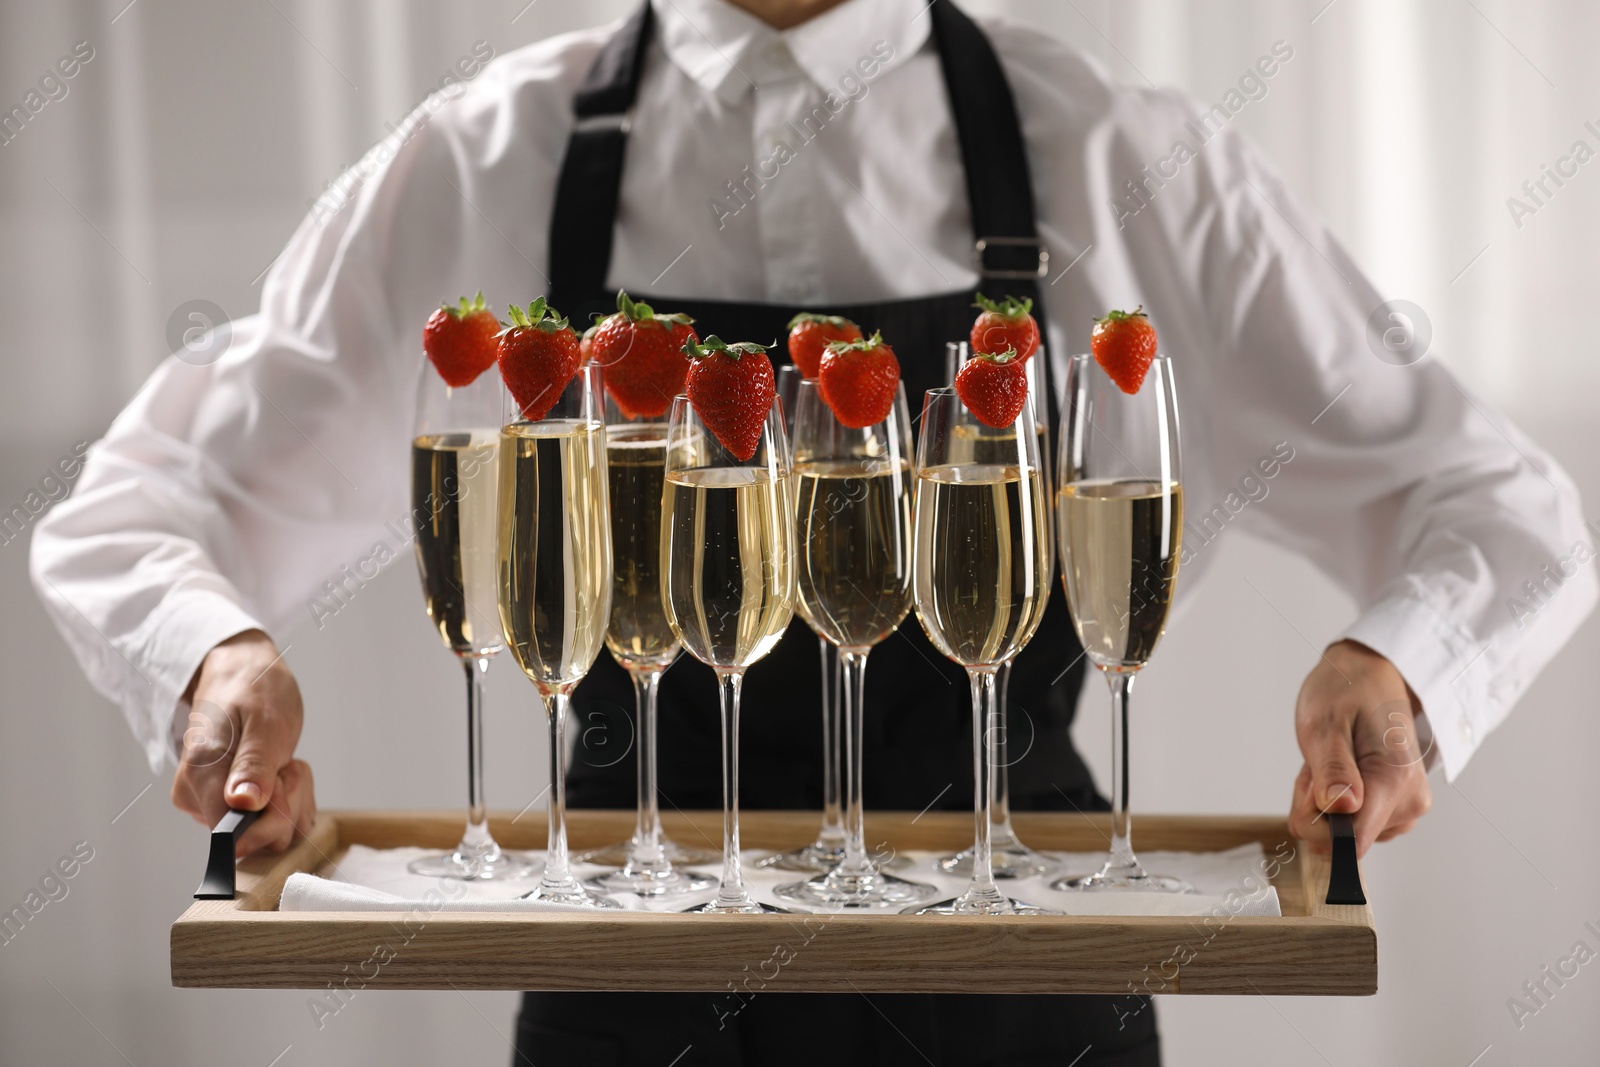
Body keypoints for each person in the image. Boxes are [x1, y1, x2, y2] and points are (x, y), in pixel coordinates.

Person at [30, 0, 1595, 1063]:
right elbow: (141, 508)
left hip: (1026, 992)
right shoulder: (482, 157)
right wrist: (214, 656)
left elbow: (1497, 506)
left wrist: (1391, 662)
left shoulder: (1129, 159)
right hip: (624, 1000)